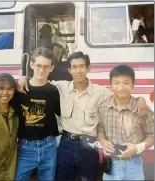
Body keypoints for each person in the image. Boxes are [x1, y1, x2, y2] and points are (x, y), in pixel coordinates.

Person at [18, 51, 148, 181]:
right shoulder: (60, 87)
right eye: (74, 67)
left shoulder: (100, 92)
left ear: (88, 68)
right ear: (69, 70)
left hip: (89, 145)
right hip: (66, 144)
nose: (78, 70)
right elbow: (40, 80)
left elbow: (121, 95)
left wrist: (140, 100)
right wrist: (24, 77)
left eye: (82, 66)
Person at [97, 65, 154, 180]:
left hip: (134, 165)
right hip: (111, 164)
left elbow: (152, 135)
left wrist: (138, 148)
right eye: (116, 83)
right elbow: (100, 129)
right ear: (111, 85)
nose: (121, 87)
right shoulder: (103, 107)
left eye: (126, 83)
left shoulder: (142, 108)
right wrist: (103, 141)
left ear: (133, 85)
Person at [14, 47, 60, 181]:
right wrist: (22, 78)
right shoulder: (20, 89)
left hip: (49, 146)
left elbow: (60, 113)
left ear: (52, 68)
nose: (42, 70)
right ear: (31, 64)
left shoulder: (53, 91)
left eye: (46, 67)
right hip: (25, 147)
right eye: (39, 65)